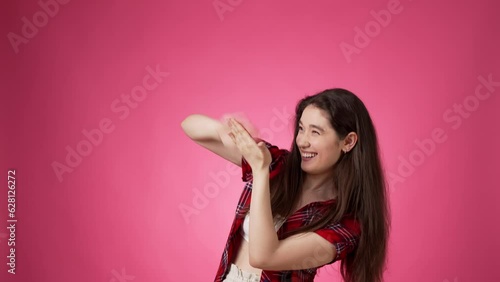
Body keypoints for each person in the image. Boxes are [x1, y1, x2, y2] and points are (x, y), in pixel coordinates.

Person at [181, 88, 390, 282]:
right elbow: (190, 127)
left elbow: (264, 257)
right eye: (301, 129)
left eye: (315, 132)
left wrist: (260, 171)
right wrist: (225, 129)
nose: (302, 141)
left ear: (348, 142)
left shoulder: (346, 223)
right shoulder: (277, 165)